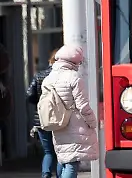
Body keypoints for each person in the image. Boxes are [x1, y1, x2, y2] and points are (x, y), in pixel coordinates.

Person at [40, 45, 98, 178]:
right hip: (74, 125)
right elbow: (83, 106)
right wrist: (92, 122)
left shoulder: (49, 78)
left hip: (58, 123)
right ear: (74, 61)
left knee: (64, 160)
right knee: (72, 164)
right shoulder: (74, 77)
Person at [27, 49, 60, 178]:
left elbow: (29, 95)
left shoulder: (40, 75)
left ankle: (45, 174)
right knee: (59, 152)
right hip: (58, 119)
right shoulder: (60, 76)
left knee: (48, 151)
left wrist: (40, 103)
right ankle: (59, 175)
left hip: (41, 119)